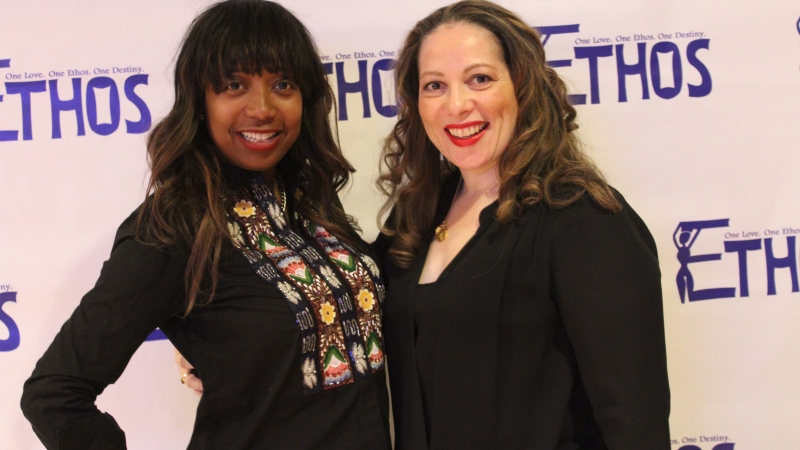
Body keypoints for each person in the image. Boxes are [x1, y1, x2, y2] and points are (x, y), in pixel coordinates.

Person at [20, 1, 392, 449]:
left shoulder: (308, 199)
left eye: (283, 84)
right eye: (234, 85)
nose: (263, 108)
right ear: (200, 100)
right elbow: (54, 394)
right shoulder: (172, 228)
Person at [374, 1, 671, 448]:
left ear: (523, 87)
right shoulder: (415, 216)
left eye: (480, 79)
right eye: (435, 85)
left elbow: (634, 422)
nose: (457, 104)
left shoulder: (583, 219)